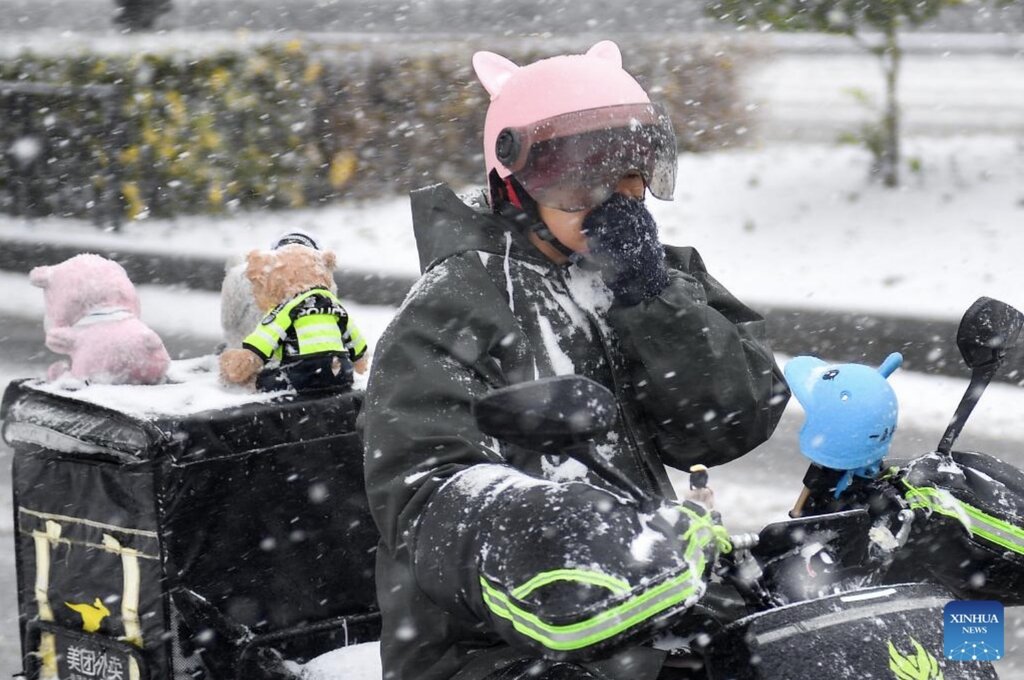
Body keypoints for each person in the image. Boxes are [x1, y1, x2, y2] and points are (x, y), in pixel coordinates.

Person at [362, 41, 789, 680]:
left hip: (648, 603)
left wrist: (650, 299)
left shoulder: (650, 278)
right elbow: (423, 491)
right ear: (513, 188)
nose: (612, 203)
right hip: (495, 641)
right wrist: (550, 532)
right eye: (579, 183)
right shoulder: (455, 304)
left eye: (629, 177)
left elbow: (728, 422)